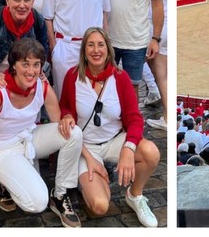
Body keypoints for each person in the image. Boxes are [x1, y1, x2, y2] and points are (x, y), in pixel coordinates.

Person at [0, 38, 83, 227]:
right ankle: (3, 180)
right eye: (25, 64)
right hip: (0, 148)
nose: (31, 71)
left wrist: (67, 117)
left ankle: (60, 194)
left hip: (28, 137)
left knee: (73, 132)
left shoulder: (42, 86)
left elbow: (57, 121)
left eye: (36, 65)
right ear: (13, 66)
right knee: (37, 203)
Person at [59, 27, 160, 227]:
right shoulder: (72, 76)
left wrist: (129, 149)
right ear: (84, 51)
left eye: (100, 45)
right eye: (91, 45)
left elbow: (135, 119)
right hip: (86, 146)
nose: (96, 50)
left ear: (108, 49)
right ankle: (91, 180)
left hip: (115, 140)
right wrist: (67, 115)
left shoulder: (120, 78)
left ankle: (135, 195)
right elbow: (64, 107)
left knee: (151, 152)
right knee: (100, 206)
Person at [144, 0, 168, 130]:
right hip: (165, 25)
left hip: (156, 27)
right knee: (164, 75)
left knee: (161, 76)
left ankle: (168, 117)